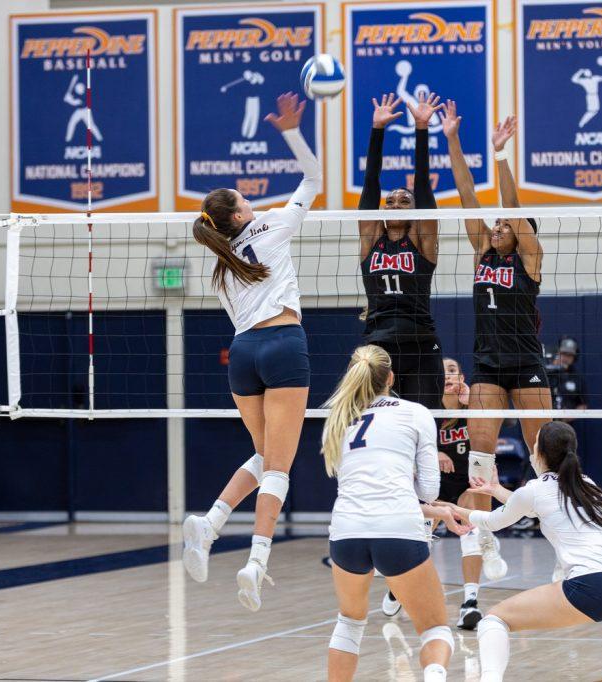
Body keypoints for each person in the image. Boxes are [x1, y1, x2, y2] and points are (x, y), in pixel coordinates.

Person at [181, 93, 320, 612]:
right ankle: (256, 562)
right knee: (280, 465)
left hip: (243, 354)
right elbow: (313, 179)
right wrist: (291, 131)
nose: (250, 200)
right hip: (283, 345)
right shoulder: (273, 227)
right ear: (240, 212)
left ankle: (211, 522)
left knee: (265, 455)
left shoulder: (220, 268)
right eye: (244, 197)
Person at [439, 422, 602, 682]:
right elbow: (535, 506)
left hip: (594, 585)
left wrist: (453, 509)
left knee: (494, 620)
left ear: (538, 454)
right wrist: (496, 489)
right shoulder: (585, 482)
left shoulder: (535, 490)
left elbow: (493, 521)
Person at [444, 101, 552, 579]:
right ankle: (487, 539)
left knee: (545, 458)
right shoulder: (481, 254)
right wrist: (452, 139)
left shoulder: (529, 259)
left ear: (523, 232)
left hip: (527, 364)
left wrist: (502, 155)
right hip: (487, 366)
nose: (497, 226)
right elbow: (469, 197)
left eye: (505, 224)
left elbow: (512, 210)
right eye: (497, 225)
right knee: (479, 460)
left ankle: (566, 545)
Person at [321, 345, 470, 682]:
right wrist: (434, 506)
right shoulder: (415, 412)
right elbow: (430, 490)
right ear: (390, 378)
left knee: (349, 623)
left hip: (346, 531)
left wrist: (434, 510)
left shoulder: (340, 415)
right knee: (435, 630)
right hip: (398, 529)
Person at [357, 91, 445, 411]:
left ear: (414, 209)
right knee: (379, 426)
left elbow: (423, 184)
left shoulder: (422, 240)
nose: (395, 204)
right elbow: (370, 184)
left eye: (403, 201)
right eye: (390, 201)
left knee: (421, 427)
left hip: (421, 346)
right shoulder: (371, 239)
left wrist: (422, 130)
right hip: (378, 346)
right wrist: (377, 131)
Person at [434, 357, 485, 630]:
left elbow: (509, 423)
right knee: (420, 537)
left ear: (461, 376)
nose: (448, 375)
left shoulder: (473, 406)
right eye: (442, 372)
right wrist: (434, 451)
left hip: (465, 484)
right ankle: (398, 587)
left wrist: (472, 404)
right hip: (433, 487)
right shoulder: (425, 410)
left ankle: (470, 603)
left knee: (471, 526)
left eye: (452, 370)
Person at [546, 336, 588, 422]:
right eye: (564, 354)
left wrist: (570, 416)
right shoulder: (545, 372)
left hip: (565, 425)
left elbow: (583, 404)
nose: (566, 358)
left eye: (570, 355)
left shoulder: (577, 378)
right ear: (558, 353)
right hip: (544, 421)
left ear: (574, 357)